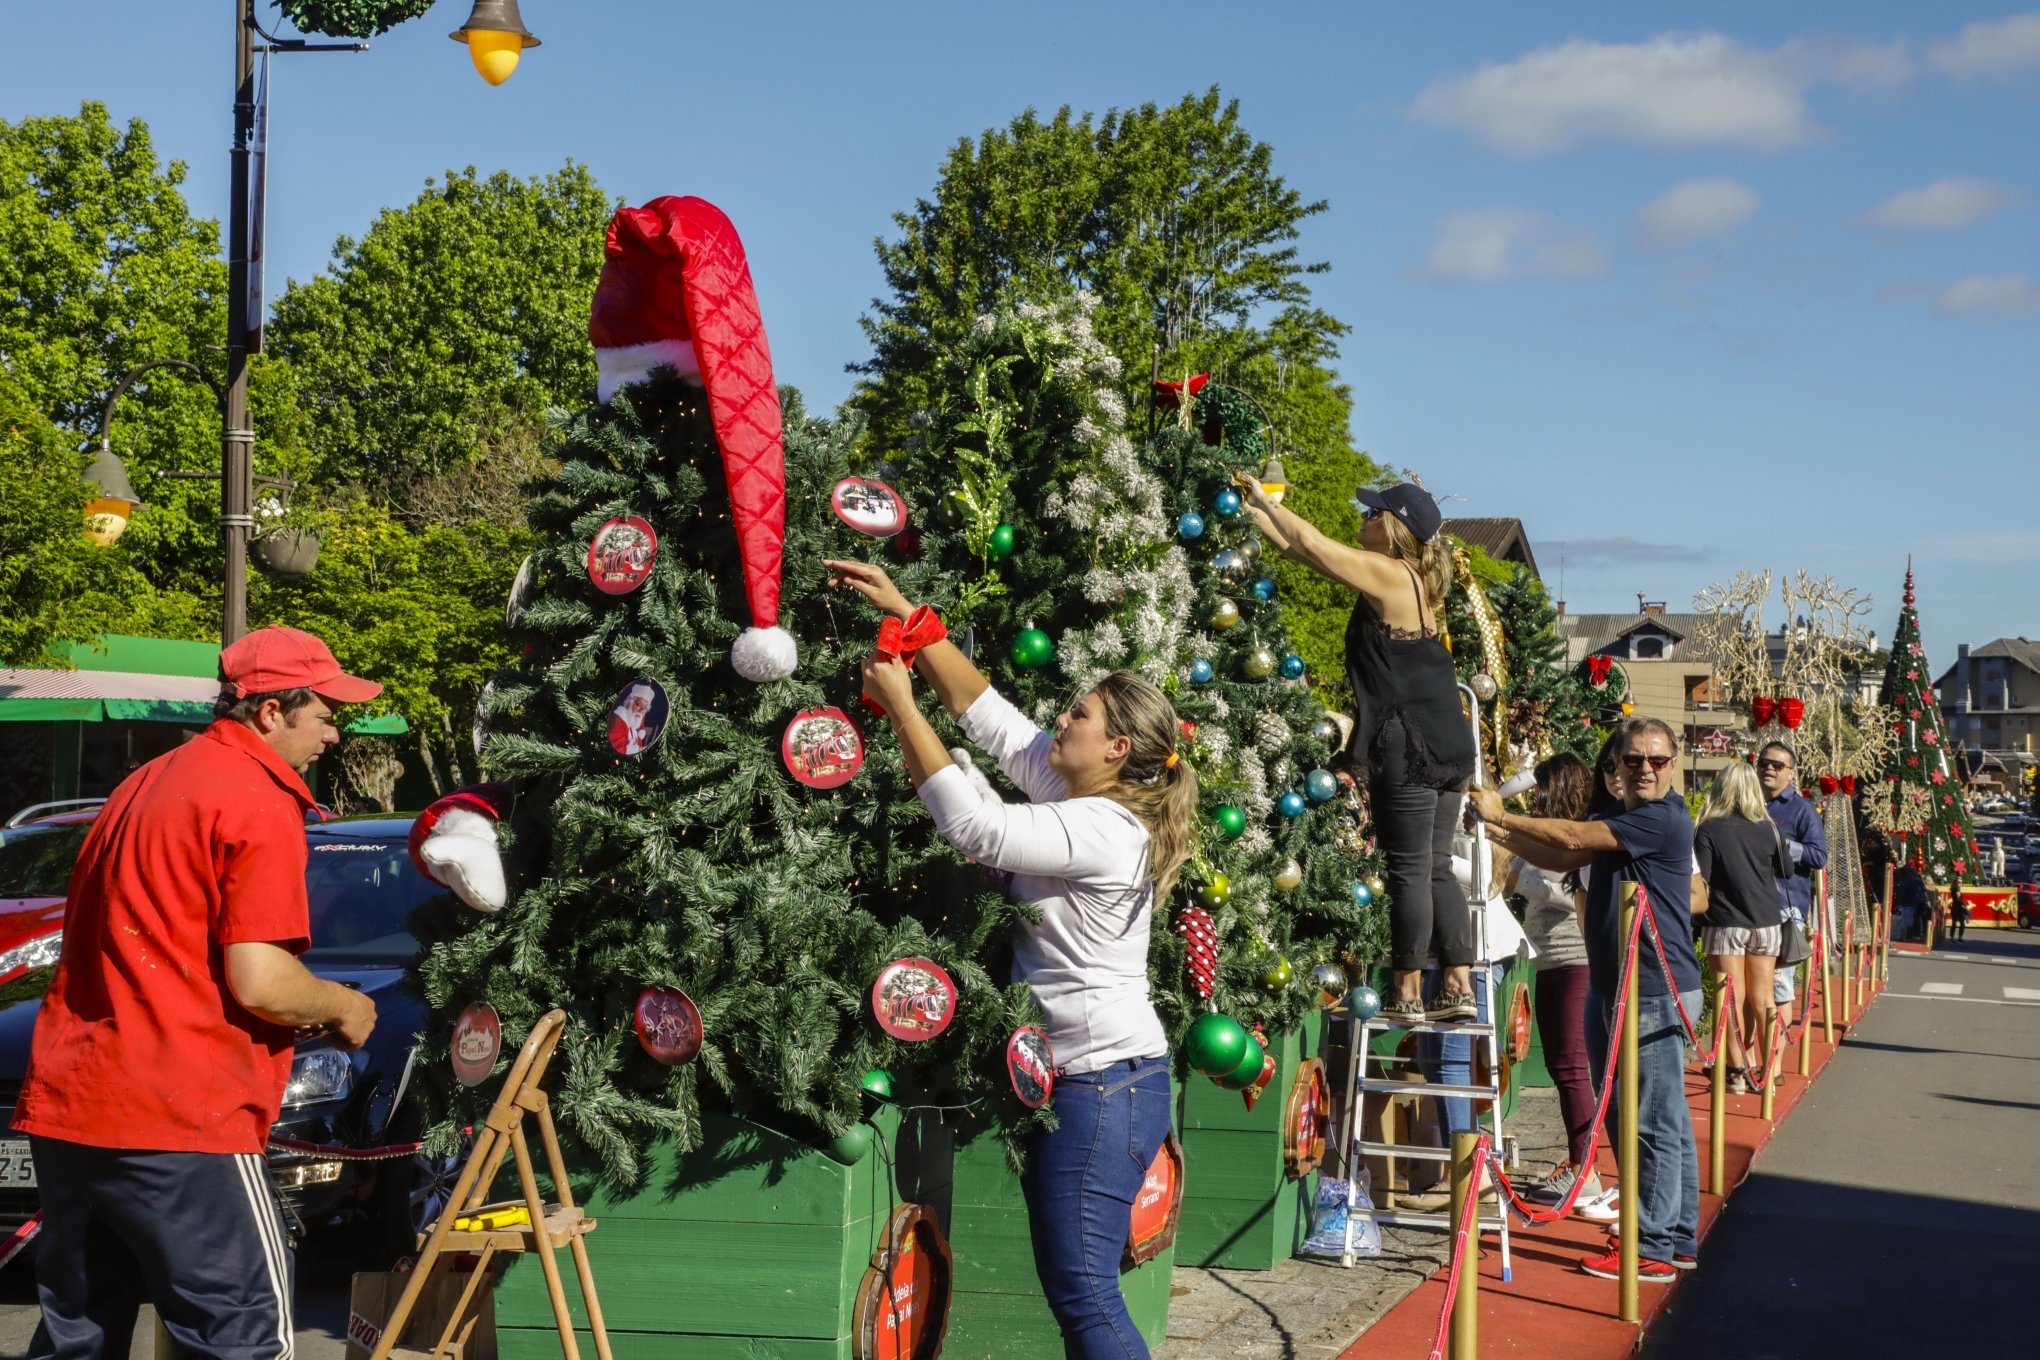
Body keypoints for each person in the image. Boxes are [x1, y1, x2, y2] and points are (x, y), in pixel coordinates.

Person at [827, 558, 1191, 1360]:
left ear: (1117, 747)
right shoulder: (1079, 794)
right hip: (1104, 1083)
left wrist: (899, 710)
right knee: (1081, 1294)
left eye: (1079, 714)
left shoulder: (1104, 828)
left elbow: (980, 831)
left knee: (1086, 1298)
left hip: (1103, 1088)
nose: (1060, 719)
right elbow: (988, 716)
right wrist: (912, 622)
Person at [13, 625, 382, 1360]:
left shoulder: (145, 781)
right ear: (271, 712)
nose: (336, 733)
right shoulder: (255, 797)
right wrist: (344, 1005)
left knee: (76, 1335)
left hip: (77, 1104)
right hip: (180, 1111)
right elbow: (261, 980)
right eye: (326, 713)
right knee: (242, 1337)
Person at [1235, 474, 1479, 1023]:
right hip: (1447, 740)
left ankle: (1409, 991)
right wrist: (1251, 510)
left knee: (1410, 868)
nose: (1363, 518)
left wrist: (1264, 497)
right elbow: (1300, 549)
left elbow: (1315, 543)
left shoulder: (1391, 572)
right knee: (1436, 866)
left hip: (1410, 742)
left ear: (1394, 530)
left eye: (1373, 514)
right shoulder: (1404, 578)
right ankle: (1459, 984)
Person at [1469, 717, 1703, 1282]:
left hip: (1652, 986)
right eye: (1632, 760)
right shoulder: (1621, 817)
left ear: (1673, 765)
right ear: (1616, 765)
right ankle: (1675, 1236)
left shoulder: (1662, 818)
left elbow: (1573, 839)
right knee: (1650, 1116)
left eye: (1656, 760)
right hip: (1614, 983)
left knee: (1647, 1120)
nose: (1644, 769)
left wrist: (1503, 813)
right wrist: (1495, 829)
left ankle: (1651, 1246)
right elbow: (1561, 858)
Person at [1487, 753, 1600, 1209]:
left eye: (1541, 790)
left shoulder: (1575, 836)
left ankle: (1585, 1168)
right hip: (1551, 961)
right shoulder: (1550, 831)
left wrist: (1516, 876)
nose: (1534, 798)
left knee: (1571, 1065)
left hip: (1576, 959)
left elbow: (1566, 891)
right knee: (1560, 1064)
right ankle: (1579, 1162)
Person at [1695, 763, 1790, 1095]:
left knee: (1730, 999)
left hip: (1725, 921)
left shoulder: (1708, 829)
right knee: (1764, 998)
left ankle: (1735, 1071)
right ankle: (1771, 1071)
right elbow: (1786, 870)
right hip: (1767, 921)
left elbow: (1701, 878)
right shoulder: (1768, 828)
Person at [1759, 742, 1827, 1035]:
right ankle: (1746, 1061)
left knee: (1779, 987)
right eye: (1764, 762)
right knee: (1752, 988)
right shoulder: (1749, 803)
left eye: (1777, 765)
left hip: (1785, 910)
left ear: (1792, 773)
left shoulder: (1802, 810)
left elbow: (1819, 856)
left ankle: (1773, 1067)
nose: (1769, 769)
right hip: (1748, 907)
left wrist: (1784, 847)